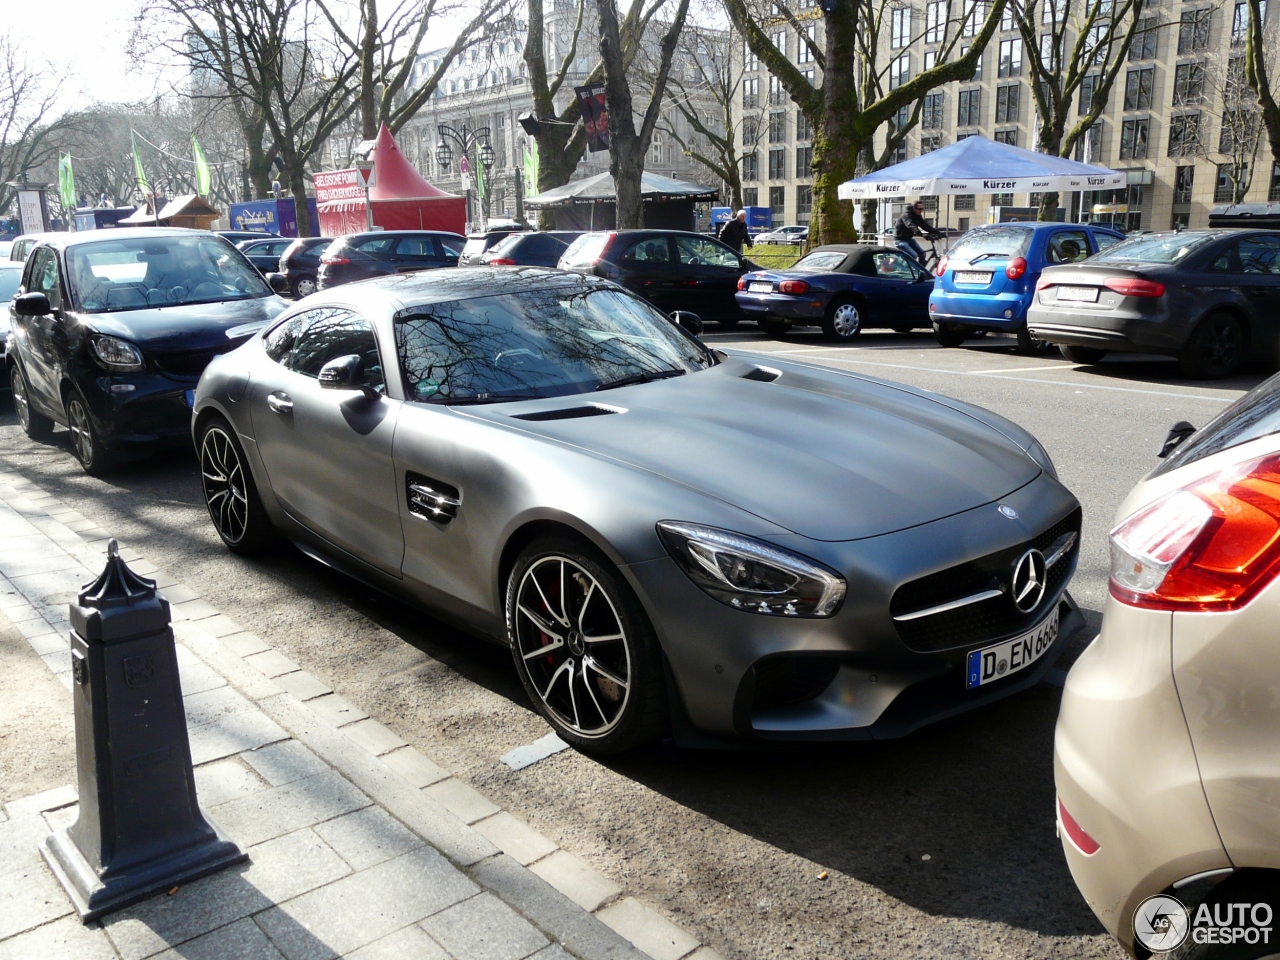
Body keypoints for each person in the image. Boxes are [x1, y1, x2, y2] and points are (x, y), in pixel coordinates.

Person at [895, 201, 941, 267]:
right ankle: (902, 268)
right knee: (914, 255)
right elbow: (910, 225)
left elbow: (925, 225)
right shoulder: (906, 215)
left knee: (923, 254)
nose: (921, 211)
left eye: (922, 209)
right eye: (919, 209)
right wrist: (920, 234)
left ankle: (920, 271)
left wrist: (937, 232)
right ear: (914, 208)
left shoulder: (918, 216)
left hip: (909, 239)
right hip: (899, 240)